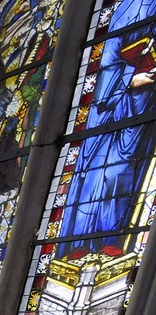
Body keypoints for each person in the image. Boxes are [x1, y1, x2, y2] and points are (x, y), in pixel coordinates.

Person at [57, 0, 156, 256]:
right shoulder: (127, 8)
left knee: (123, 172)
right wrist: (128, 80)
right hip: (111, 108)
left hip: (143, 106)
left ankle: (110, 241)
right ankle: (80, 243)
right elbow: (109, 58)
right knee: (102, 172)